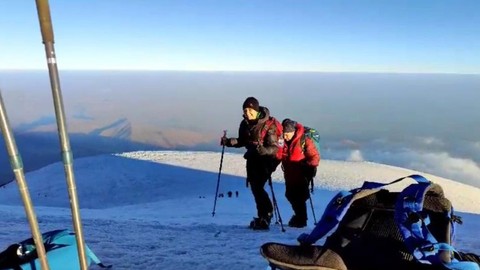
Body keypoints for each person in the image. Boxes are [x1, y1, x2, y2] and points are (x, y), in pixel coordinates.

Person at [220, 97, 281, 230]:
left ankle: (267, 214)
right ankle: (262, 216)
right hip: (253, 158)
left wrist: (263, 150)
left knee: (258, 187)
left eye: (250, 109)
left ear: (256, 109)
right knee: (255, 188)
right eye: (245, 110)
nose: (247, 112)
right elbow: (242, 141)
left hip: (267, 160)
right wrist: (229, 142)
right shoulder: (245, 123)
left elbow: (274, 147)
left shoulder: (268, 125)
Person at [281, 118, 320, 228]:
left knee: (299, 198)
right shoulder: (283, 142)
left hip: (301, 175)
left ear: (292, 132)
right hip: (289, 175)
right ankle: (299, 217)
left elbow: (314, 156)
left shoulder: (304, 140)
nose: (285, 136)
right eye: (284, 133)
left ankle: (301, 220)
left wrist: (308, 167)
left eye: (287, 134)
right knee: (290, 195)